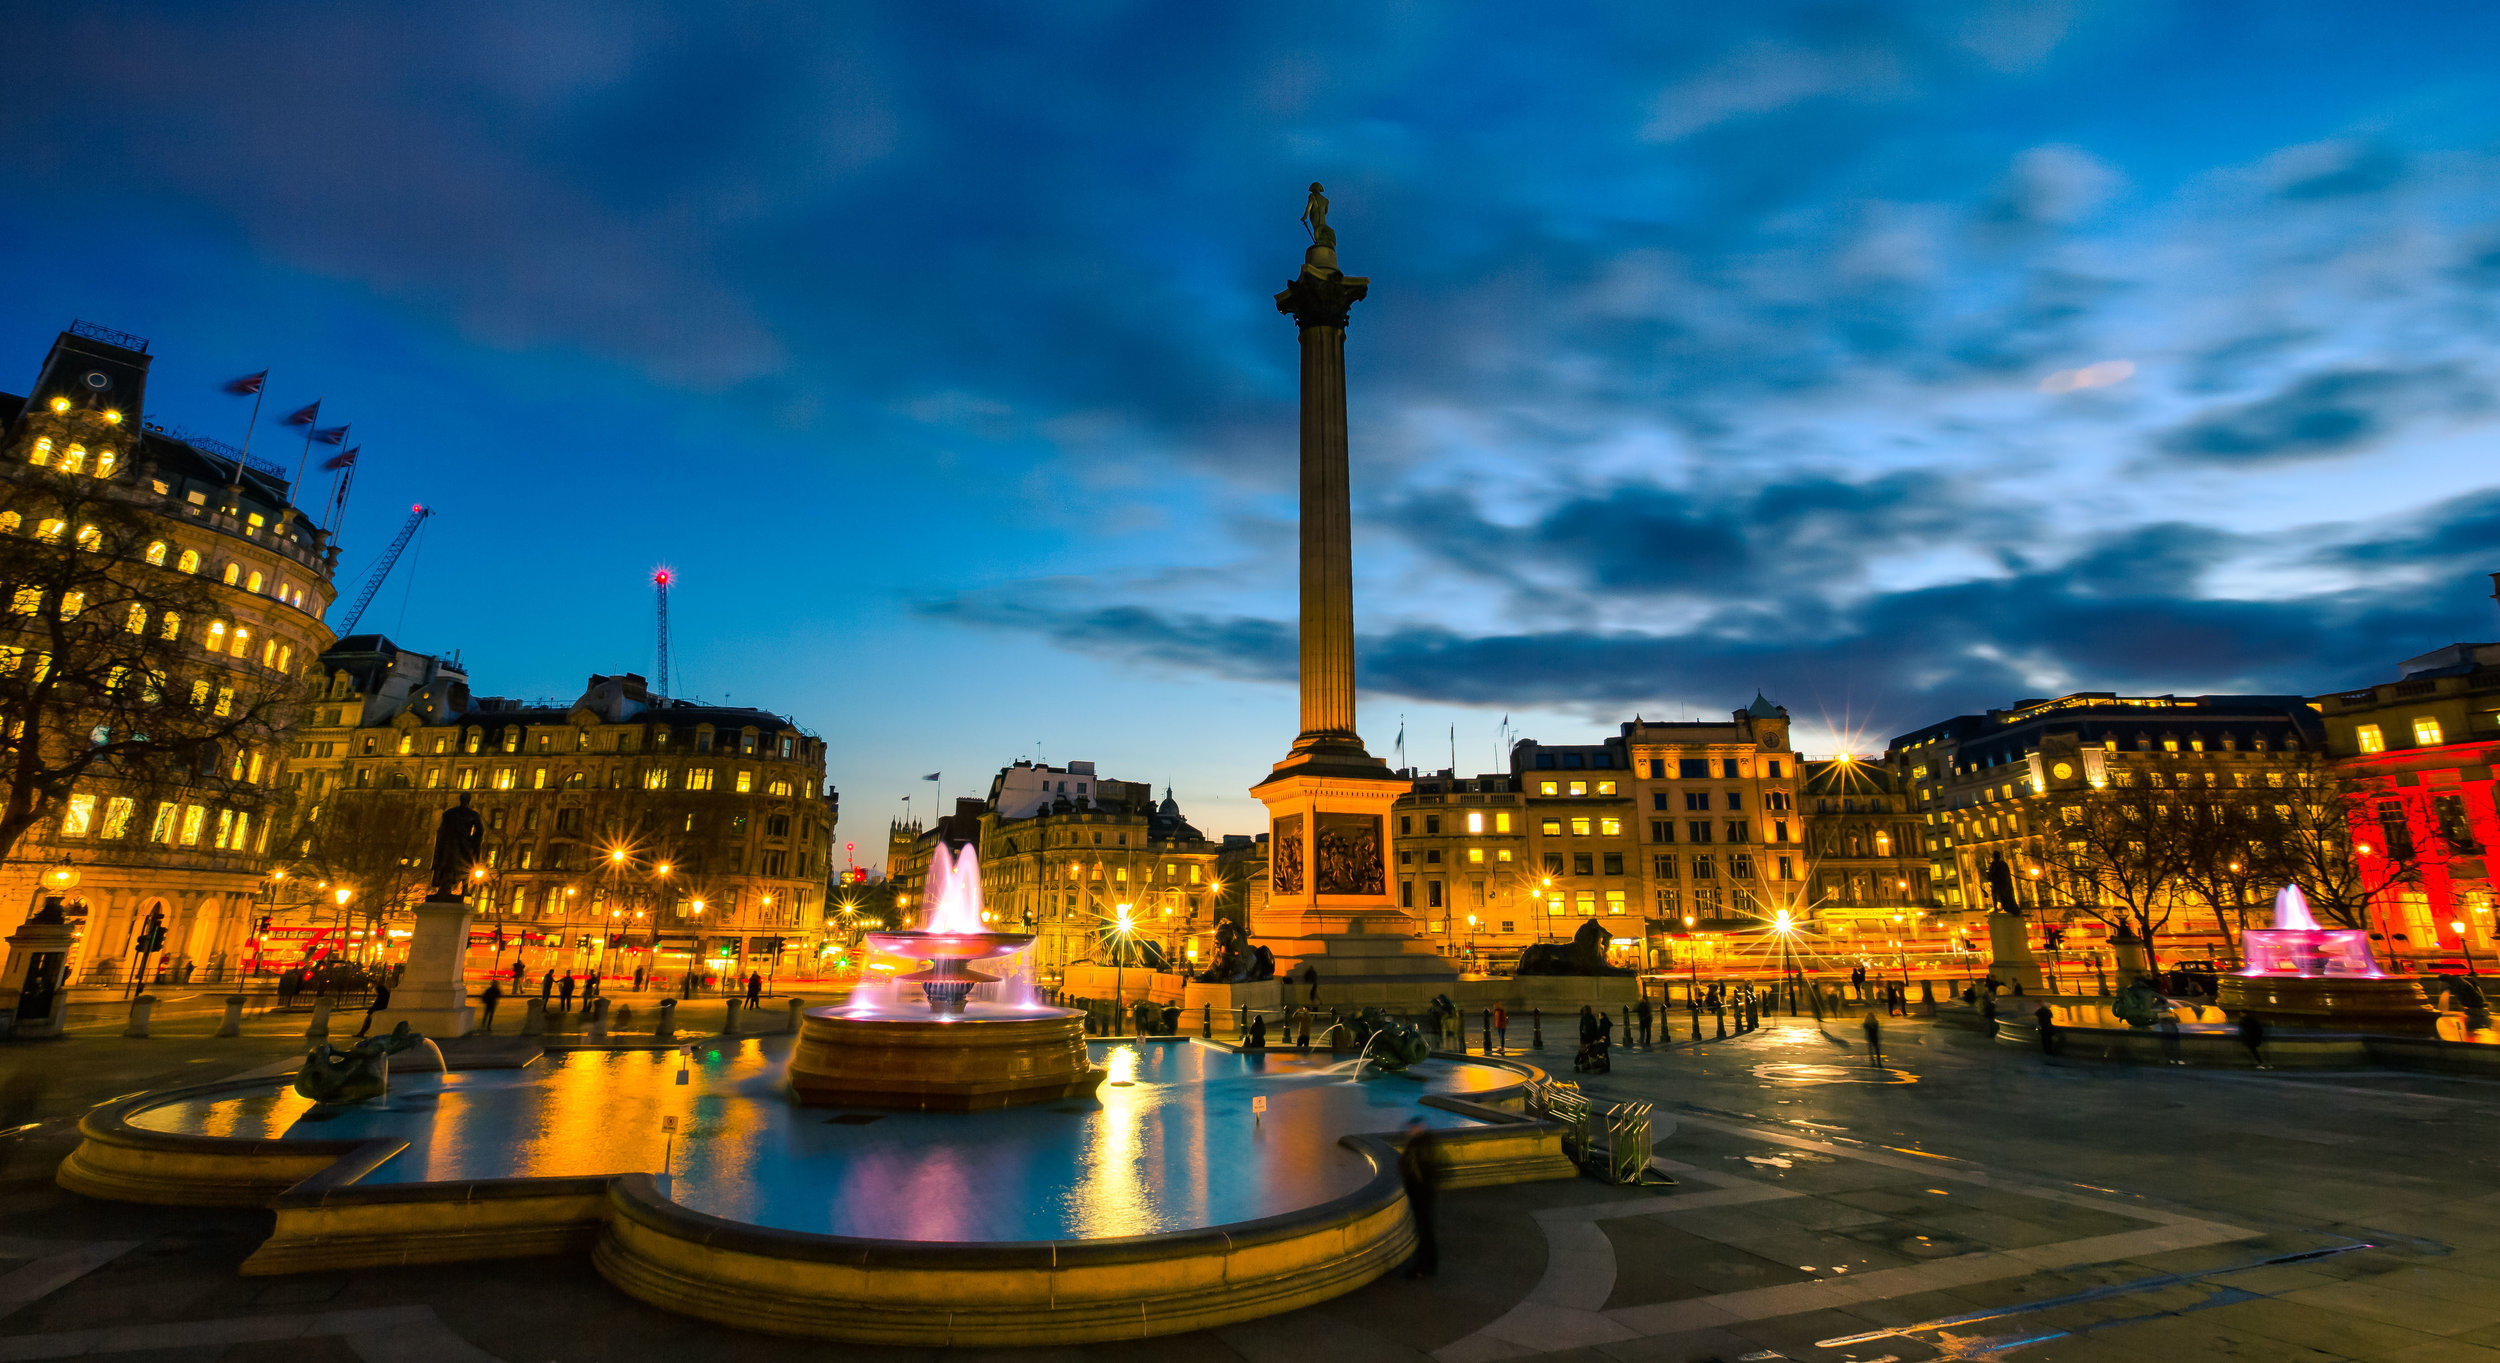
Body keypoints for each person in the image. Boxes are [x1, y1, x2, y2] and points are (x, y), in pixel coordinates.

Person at [1399, 1117, 1439, 1277]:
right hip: (1424, 1192)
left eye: (1413, 1128)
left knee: (1423, 1230)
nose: (1410, 1131)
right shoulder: (1425, 1144)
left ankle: (1423, 1267)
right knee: (1426, 1229)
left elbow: (1413, 1168)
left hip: (1420, 1193)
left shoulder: (1418, 1147)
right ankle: (1430, 1264)